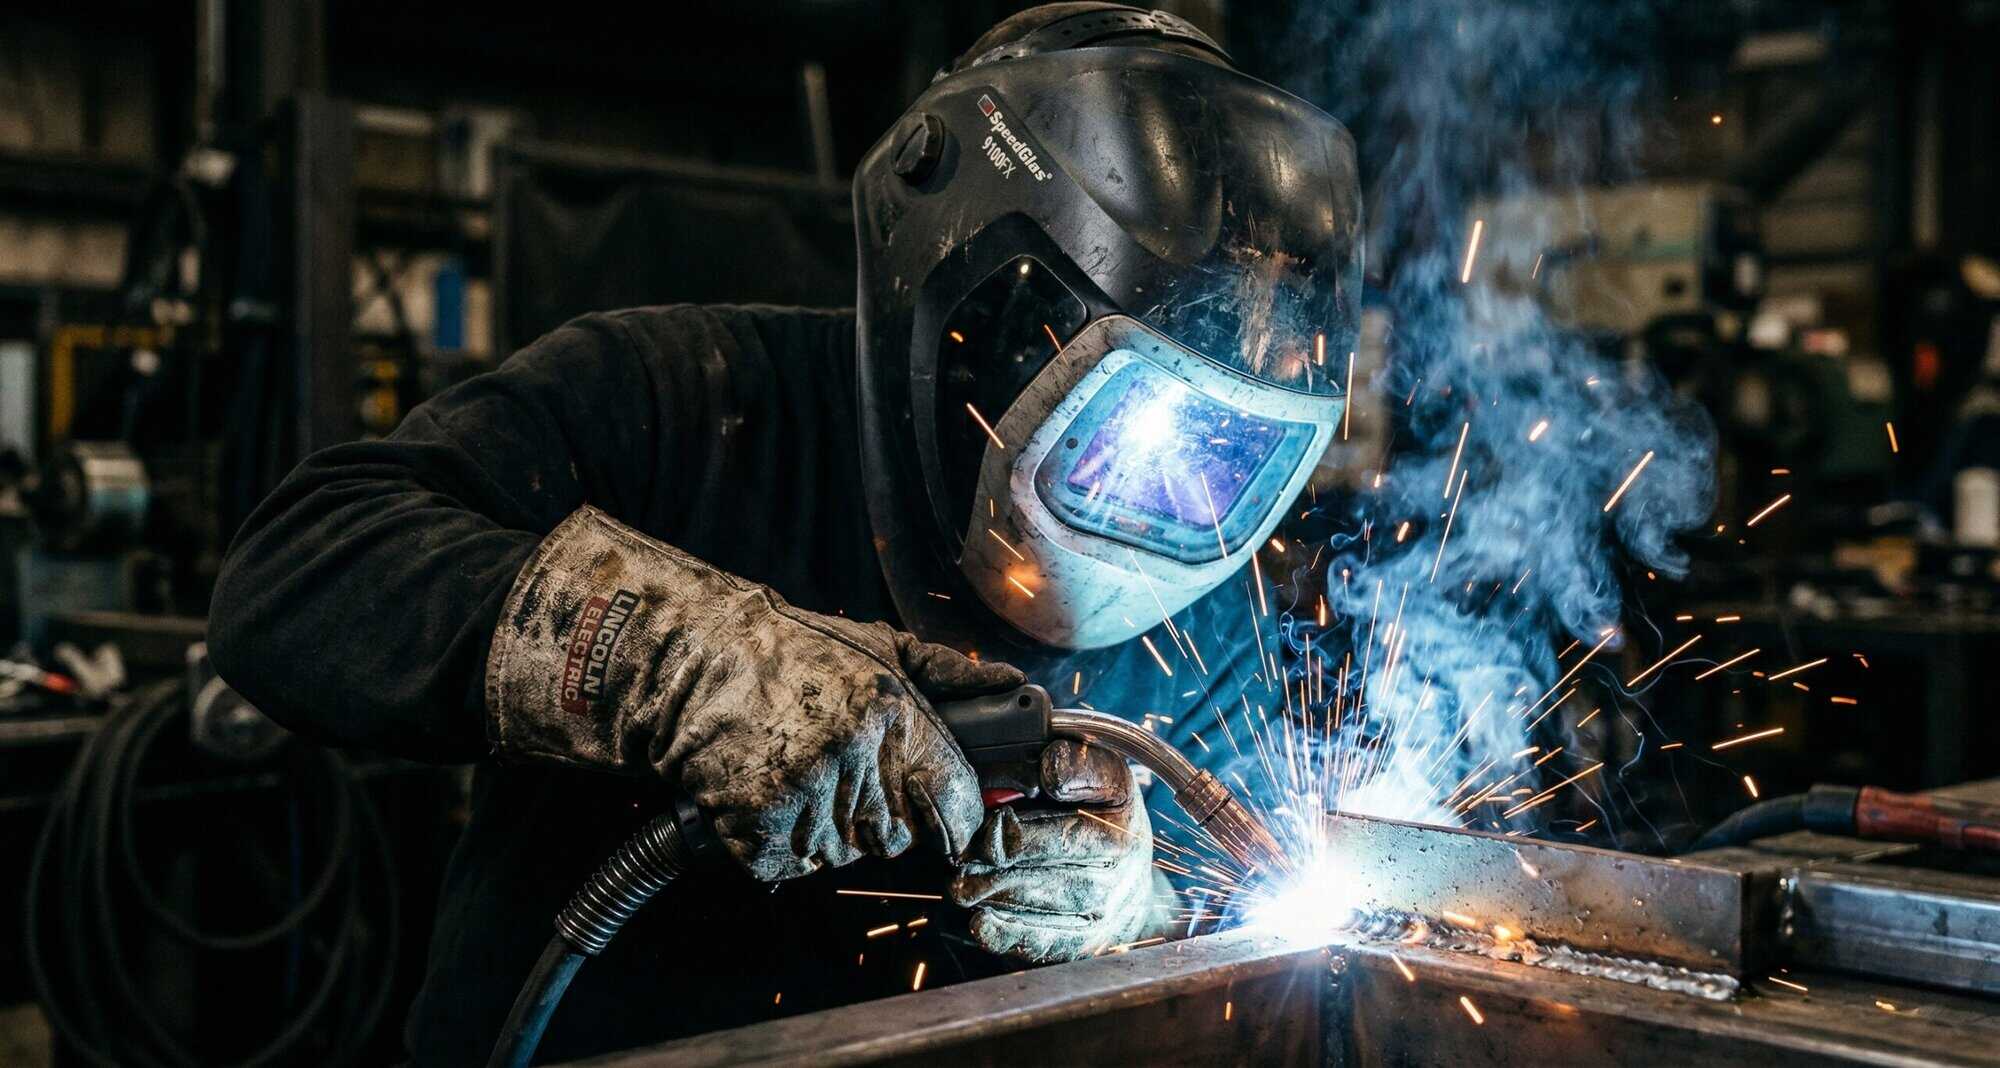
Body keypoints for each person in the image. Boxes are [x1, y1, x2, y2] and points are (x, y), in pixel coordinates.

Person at [210, 3, 1362, 1062]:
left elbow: (1250, 914)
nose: (1173, 499)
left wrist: (1145, 909)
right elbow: (298, 571)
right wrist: (666, 660)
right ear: (996, 309)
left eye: (1230, 459)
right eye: (1139, 435)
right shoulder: (686, 400)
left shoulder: (1214, 617)